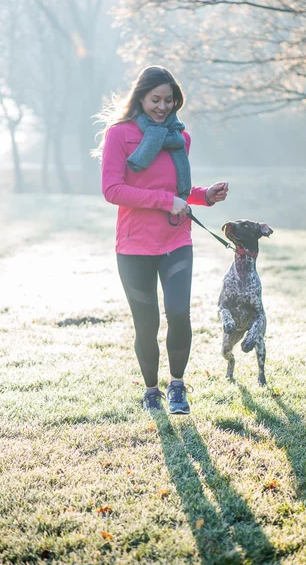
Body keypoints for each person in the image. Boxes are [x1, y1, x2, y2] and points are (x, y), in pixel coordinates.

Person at [97, 66, 228, 414]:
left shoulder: (179, 137)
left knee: (179, 313)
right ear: (141, 97)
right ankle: (151, 390)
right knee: (147, 323)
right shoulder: (119, 135)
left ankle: (178, 387)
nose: (163, 107)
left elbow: (177, 189)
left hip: (175, 240)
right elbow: (113, 190)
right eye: (156, 99)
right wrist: (165, 201)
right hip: (134, 245)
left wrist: (204, 196)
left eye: (169, 100)